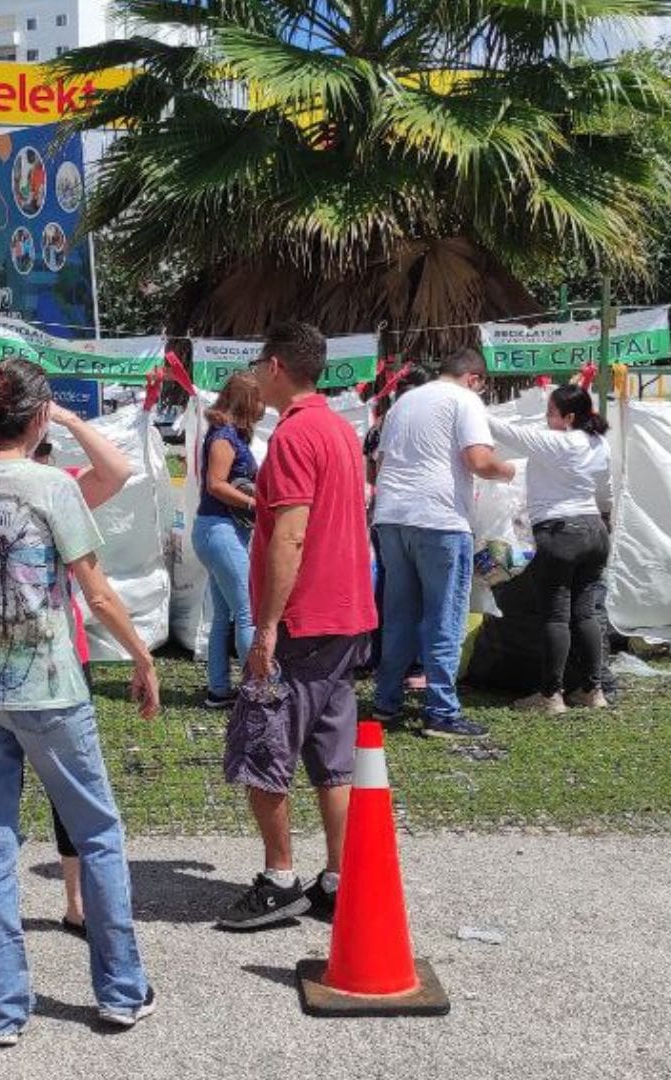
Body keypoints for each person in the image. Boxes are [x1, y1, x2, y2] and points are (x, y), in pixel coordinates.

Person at [0, 359, 160, 1045]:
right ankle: (120, 990)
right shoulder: (51, 486)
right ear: (37, 419)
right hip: (49, 686)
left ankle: (1, 1008)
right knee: (98, 834)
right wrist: (142, 656)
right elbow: (98, 591)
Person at [216, 321, 377, 931]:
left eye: (260, 364)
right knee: (333, 758)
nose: (256, 375)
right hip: (347, 614)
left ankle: (280, 877)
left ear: (277, 366)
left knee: (264, 743)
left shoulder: (292, 436)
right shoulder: (340, 430)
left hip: (304, 620)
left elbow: (290, 534)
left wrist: (266, 627)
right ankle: (339, 877)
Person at [0, 414, 137, 939]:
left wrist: (63, 417)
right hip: (36, 665)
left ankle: (72, 904)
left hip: (38, 661)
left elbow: (117, 470)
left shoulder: (57, 490)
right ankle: (30, 913)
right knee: (52, 791)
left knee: (50, 793)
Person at [370, 349, 515, 739]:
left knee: (399, 615)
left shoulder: (403, 402)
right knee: (444, 615)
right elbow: (479, 460)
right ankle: (441, 712)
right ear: (474, 379)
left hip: (392, 516)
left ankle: (386, 701)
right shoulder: (464, 400)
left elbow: (381, 462)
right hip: (440, 518)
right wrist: (510, 472)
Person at [483, 384, 613, 713]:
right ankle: (592, 690)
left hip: (560, 533)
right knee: (586, 613)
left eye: (551, 412)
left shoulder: (558, 442)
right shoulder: (599, 443)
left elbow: (504, 430)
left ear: (568, 418)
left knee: (556, 616)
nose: (546, 418)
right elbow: (606, 490)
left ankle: (551, 695)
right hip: (595, 530)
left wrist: (465, 404)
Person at [191, 371, 261, 710]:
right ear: (247, 401)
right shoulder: (223, 437)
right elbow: (216, 484)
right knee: (247, 612)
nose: (262, 408)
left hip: (216, 530)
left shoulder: (228, 435)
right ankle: (257, 691)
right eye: (259, 401)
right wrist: (253, 504)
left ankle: (219, 690)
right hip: (220, 530)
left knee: (223, 615)